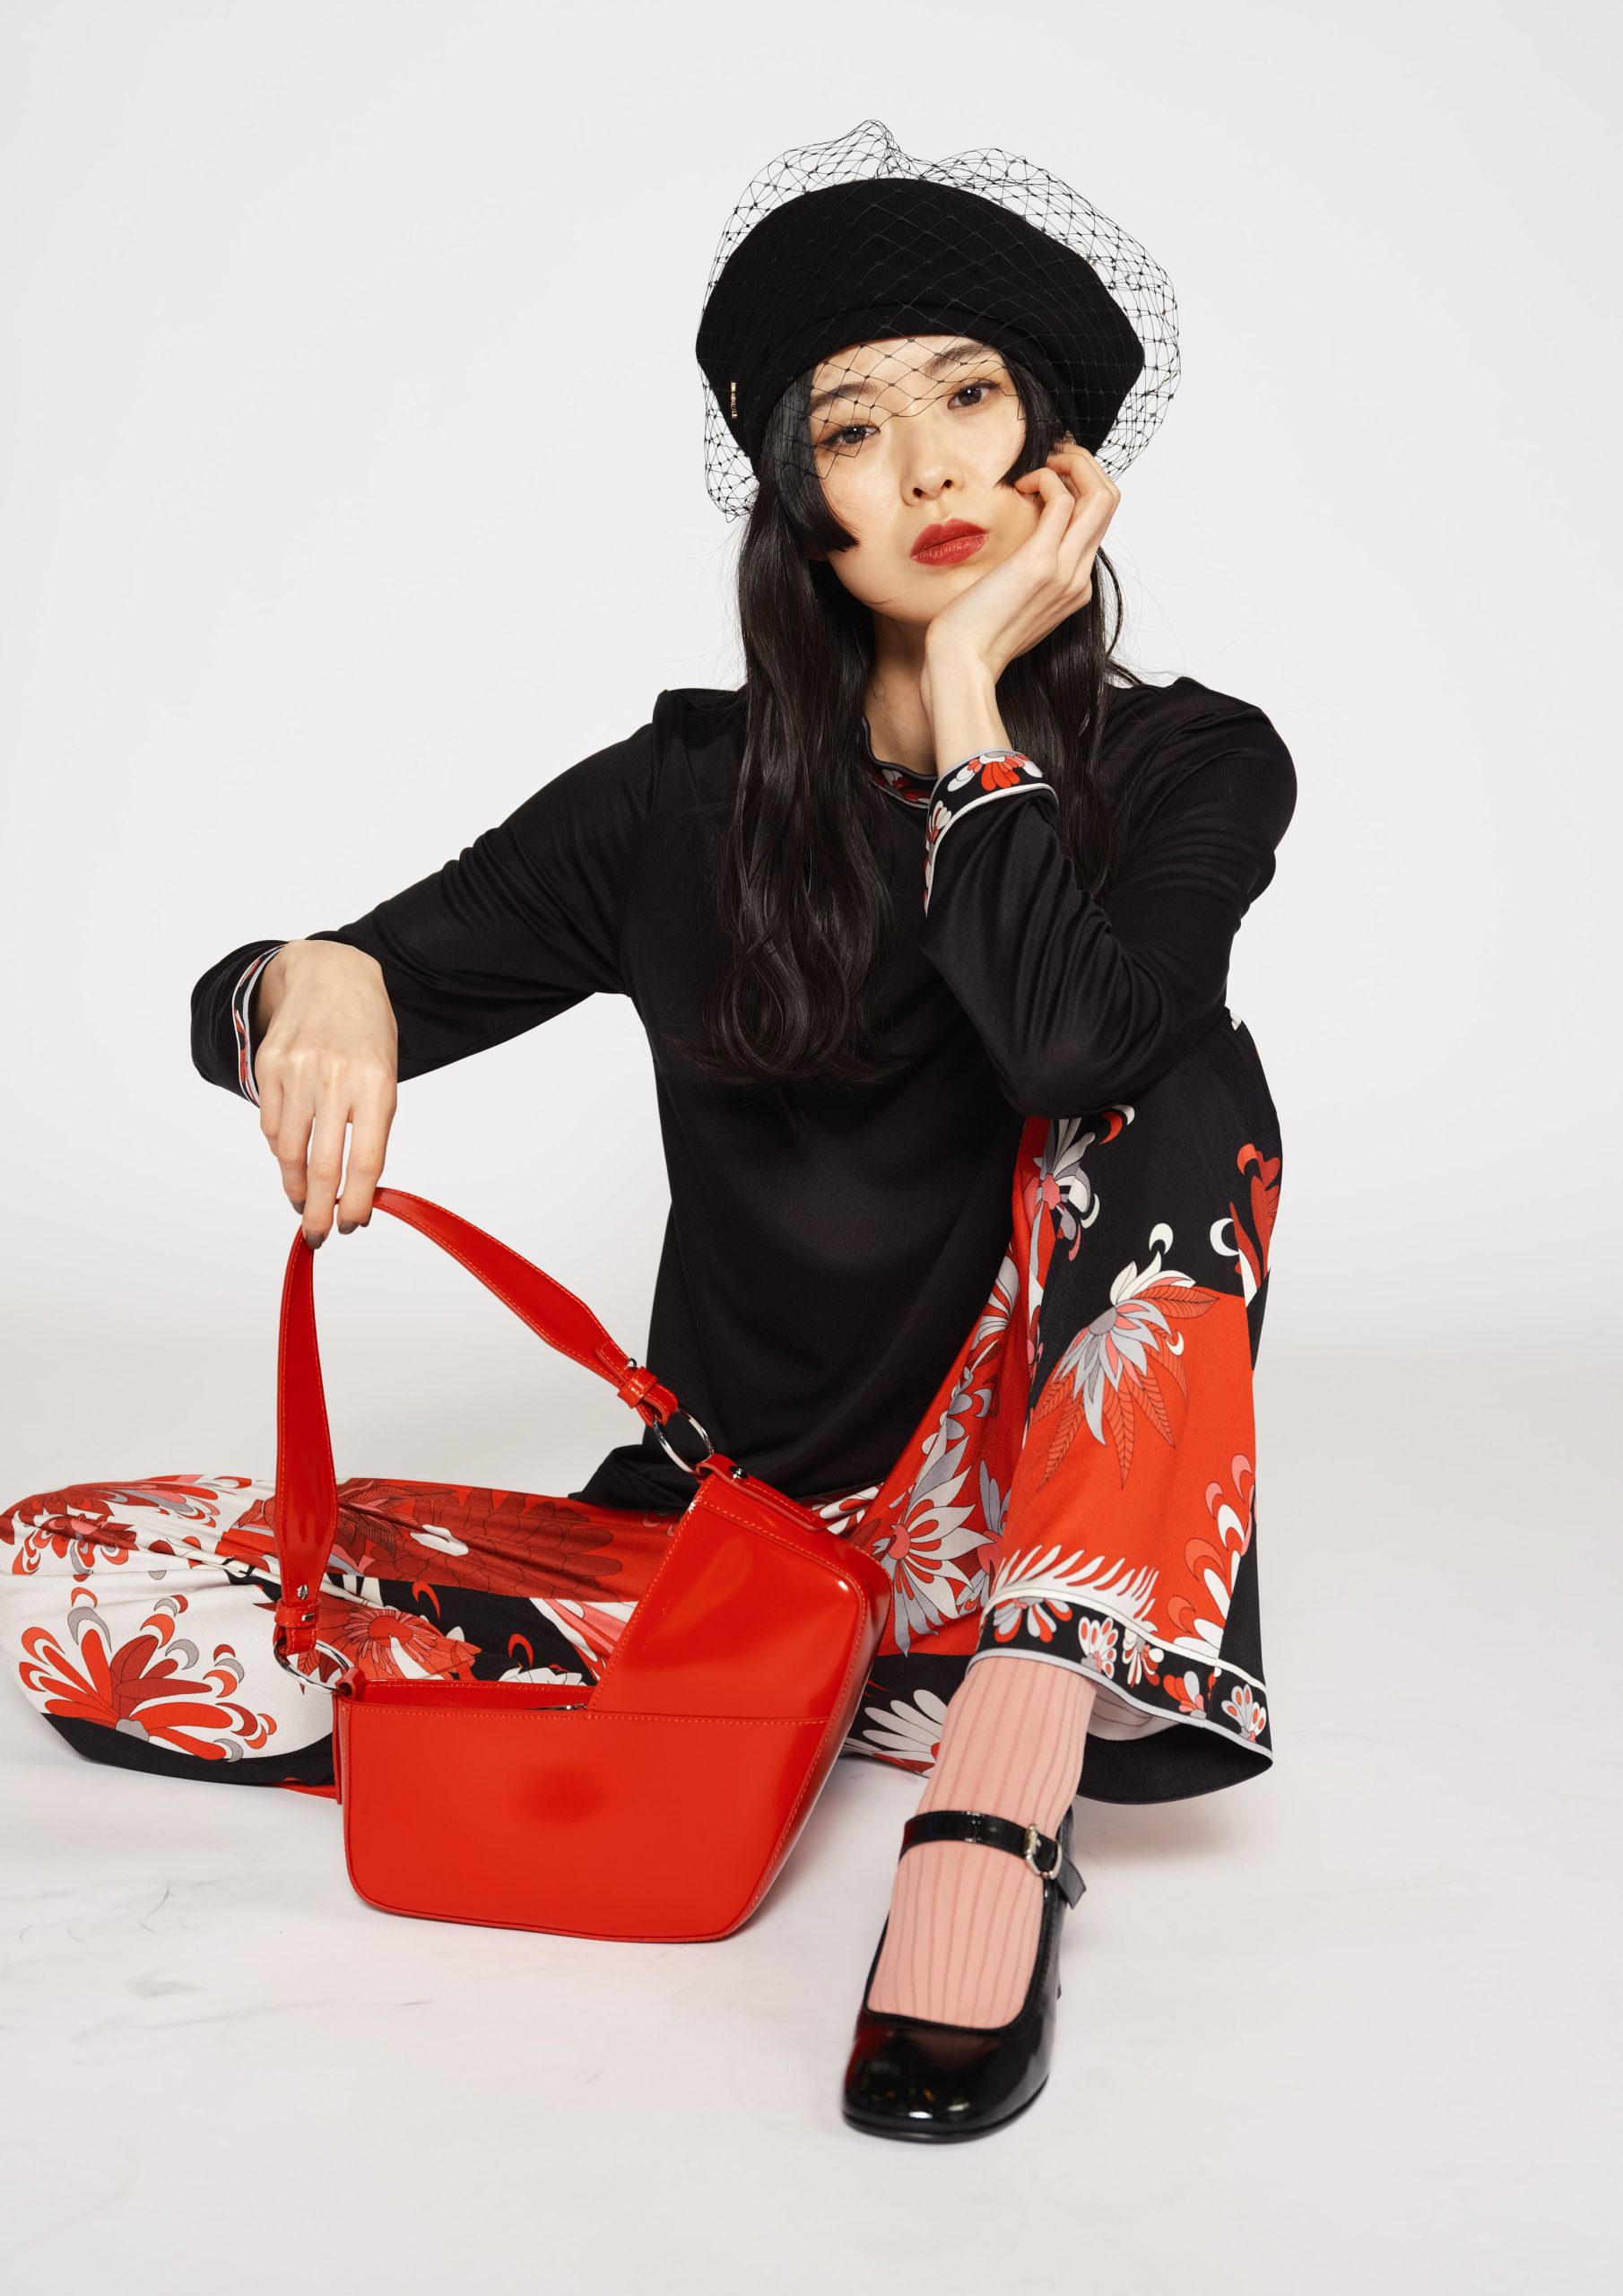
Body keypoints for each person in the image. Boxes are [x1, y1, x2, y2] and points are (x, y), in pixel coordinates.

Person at [0, 122, 1295, 2141]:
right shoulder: (684, 796)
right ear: (798, 500)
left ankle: (993, 1803)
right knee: (102, 1599)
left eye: (968, 397)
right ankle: (749, 1694)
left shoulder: (1191, 761)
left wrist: (970, 691)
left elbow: (1069, 1044)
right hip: (743, 1541)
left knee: (1176, 1073)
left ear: (1054, 456)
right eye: (852, 428)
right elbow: (287, 992)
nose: (926, 469)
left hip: (1023, 1578)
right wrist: (304, 978)